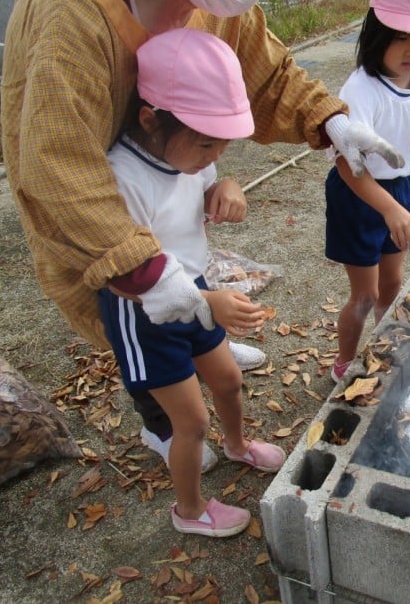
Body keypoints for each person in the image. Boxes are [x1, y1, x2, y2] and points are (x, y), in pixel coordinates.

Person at [0, 0, 403, 472]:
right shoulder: (71, 6)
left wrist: (331, 123)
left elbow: (265, 73)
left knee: (189, 304)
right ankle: (160, 423)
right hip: (114, 238)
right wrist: (147, 274)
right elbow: (57, 165)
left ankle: (198, 348)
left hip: (177, 243)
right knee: (143, 341)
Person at [99, 28, 286, 537]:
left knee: (227, 380)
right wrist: (208, 301)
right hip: (142, 311)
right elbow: (124, 277)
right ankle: (188, 511)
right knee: (191, 423)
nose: (212, 153)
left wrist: (226, 185)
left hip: (195, 289)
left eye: (221, 145)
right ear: (149, 119)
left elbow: (206, 183)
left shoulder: (189, 152)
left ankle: (237, 444)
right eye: (206, 143)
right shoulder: (121, 177)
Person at [325, 0, 410, 383]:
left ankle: (380, 346)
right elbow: (346, 165)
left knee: (393, 284)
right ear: (375, 32)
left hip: (400, 191)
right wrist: (388, 209)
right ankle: (344, 361)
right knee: (366, 293)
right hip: (359, 196)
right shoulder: (360, 89)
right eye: (400, 37)